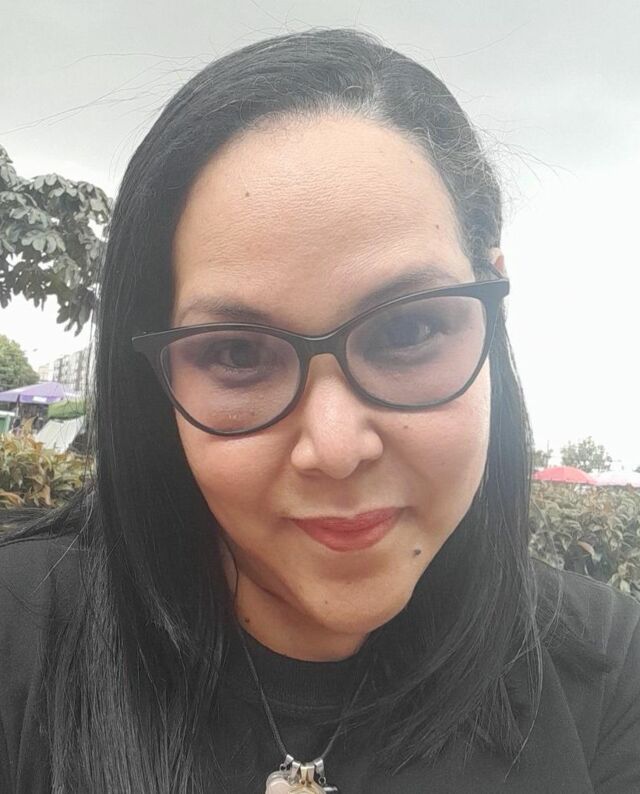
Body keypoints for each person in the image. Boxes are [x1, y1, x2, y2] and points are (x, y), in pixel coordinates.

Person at [0, 28, 638, 794]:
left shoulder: (608, 675)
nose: (334, 449)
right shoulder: (19, 638)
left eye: (407, 331)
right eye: (237, 353)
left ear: (492, 305)